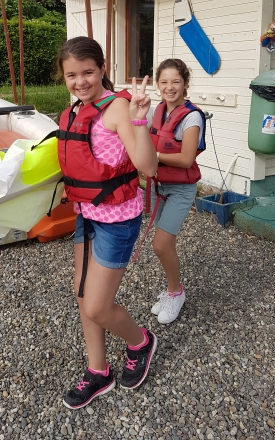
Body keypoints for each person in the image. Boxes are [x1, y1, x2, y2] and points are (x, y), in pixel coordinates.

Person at [56, 36, 158, 410]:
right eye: (71, 75)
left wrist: (140, 120)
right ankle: (98, 371)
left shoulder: (117, 108)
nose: (80, 81)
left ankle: (140, 342)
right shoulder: (72, 111)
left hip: (117, 220)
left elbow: (148, 167)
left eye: (87, 72)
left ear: (102, 69)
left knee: (98, 306)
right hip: (86, 215)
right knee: (83, 296)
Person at [149, 58, 206, 324]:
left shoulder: (192, 116)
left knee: (160, 245)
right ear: (157, 84)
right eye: (164, 82)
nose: (169, 87)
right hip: (159, 186)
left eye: (175, 81)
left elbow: (185, 159)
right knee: (166, 244)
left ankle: (176, 292)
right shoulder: (156, 111)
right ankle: (172, 289)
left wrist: (153, 156)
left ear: (185, 83)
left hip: (181, 189)